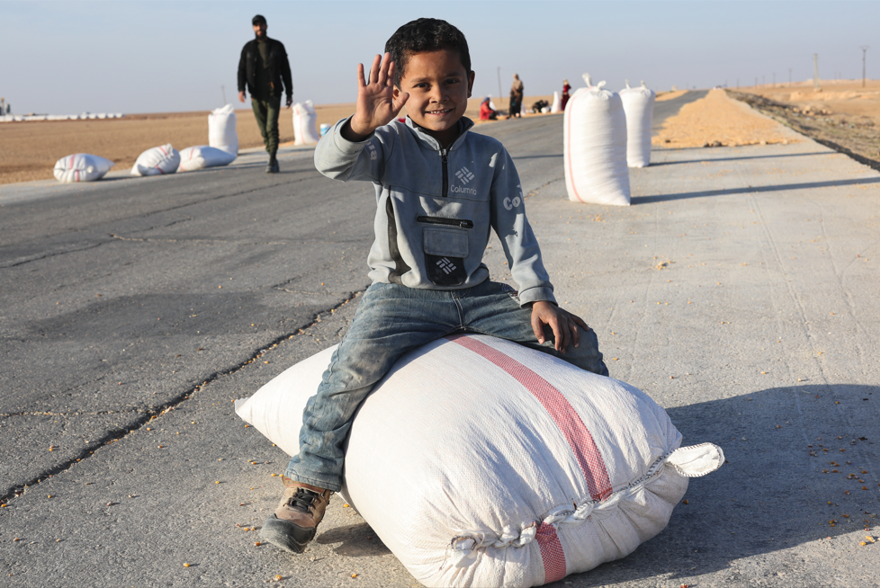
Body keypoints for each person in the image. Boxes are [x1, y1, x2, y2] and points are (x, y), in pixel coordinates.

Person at [259, 17, 608, 555]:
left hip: (477, 296)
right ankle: (308, 484)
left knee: (575, 341)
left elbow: (515, 230)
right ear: (399, 90)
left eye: (450, 81)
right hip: (400, 297)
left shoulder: (490, 155)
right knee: (348, 372)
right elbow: (329, 164)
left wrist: (539, 296)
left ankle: (604, 447)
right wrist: (360, 124)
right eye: (421, 84)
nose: (438, 95)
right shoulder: (386, 145)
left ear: (470, 82)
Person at [237, 14, 293, 173]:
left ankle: (272, 158)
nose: (259, 28)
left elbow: (286, 71)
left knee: (271, 126)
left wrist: (289, 92)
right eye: (256, 25)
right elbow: (241, 70)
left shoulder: (277, 46)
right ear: (253, 28)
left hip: (274, 93)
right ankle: (271, 153)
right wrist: (241, 89)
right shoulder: (248, 48)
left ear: (266, 26)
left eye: (261, 25)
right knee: (263, 129)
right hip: (256, 94)